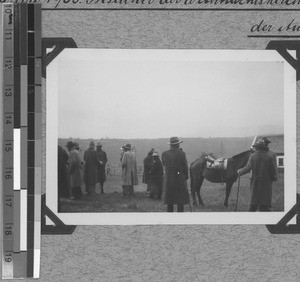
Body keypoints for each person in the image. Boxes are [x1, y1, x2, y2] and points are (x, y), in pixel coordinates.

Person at [237, 139, 278, 211]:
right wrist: (274, 178)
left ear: (257, 148)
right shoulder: (269, 157)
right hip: (266, 184)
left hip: (256, 183)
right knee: (265, 205)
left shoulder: (253, 156)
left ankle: (252, 219)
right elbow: (273, 171)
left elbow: (247, 168)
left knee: (253, 203)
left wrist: (239, 171)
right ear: (264, 148)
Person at [162, 137, 190, 212]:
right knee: (180, 200)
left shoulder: (164, 154)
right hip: (179, 178)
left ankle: (170, 216)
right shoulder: (182, 153)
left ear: (171, 145)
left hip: (169, 179)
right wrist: (186, 177)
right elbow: (185, 167)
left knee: (169, 200)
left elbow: (164, 164)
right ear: (178, 144)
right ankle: (180, 217)